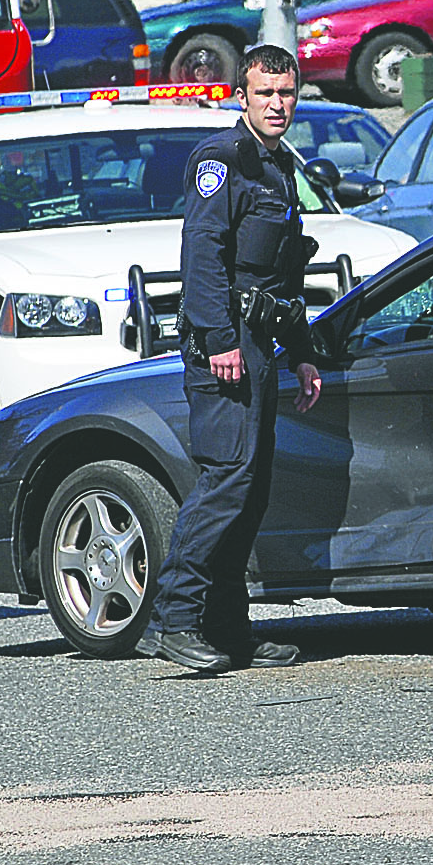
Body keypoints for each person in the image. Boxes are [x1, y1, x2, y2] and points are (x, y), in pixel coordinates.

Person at [136, 46, 324, 673]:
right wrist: (219, 339)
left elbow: (283, 271)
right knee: (225, 481)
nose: (277, 104)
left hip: (261, 341)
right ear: (241, 95)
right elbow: (203, 256)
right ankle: (172, 619)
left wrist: (301, 354)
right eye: (265, 93)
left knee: (250, 488)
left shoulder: (276, 165)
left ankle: (227, 626)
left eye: (286, 93)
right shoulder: (223, 159)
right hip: (227, 343)